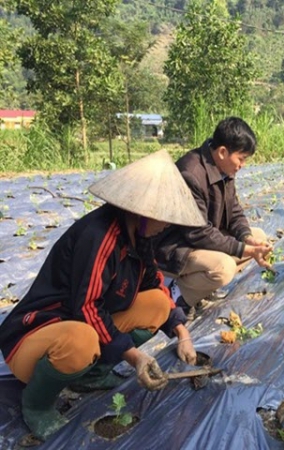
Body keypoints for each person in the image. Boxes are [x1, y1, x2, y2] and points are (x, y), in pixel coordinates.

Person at [0, 150, 205, 440]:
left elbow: (156, 285)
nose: (166, 225)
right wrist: (135, 357)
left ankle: (90, 375)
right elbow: (86, 307)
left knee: (157, 305)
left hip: (81, 324)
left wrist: (182, 333)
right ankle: (36, 404)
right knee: (81, 340)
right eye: (163, 218)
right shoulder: (99, 236)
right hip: (36, 335)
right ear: (143, 212)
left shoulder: (141, 238)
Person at [154, 117, 272, 318]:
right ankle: (178, 294)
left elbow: (234, 211)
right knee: (224, 268)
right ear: (223, 152)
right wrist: (245, 249)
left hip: (199, 239)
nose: (242, 165)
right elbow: (197, 232)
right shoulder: (190, 173)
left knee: (258, 235)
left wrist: (247, 239)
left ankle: (202, 285)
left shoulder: (224, 169)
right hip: (174, 247)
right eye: (241, 158)